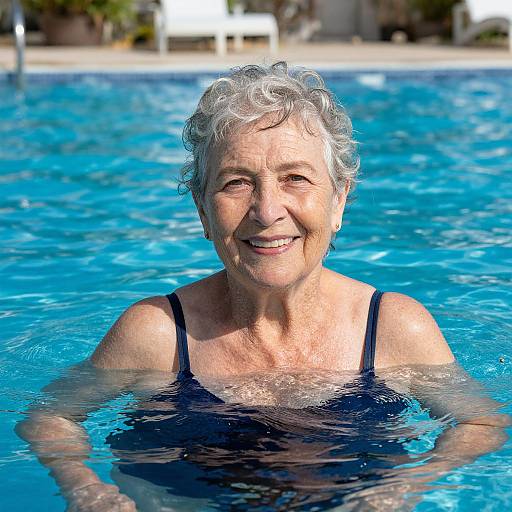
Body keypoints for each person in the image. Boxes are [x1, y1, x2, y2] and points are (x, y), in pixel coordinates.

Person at [17, 63, 510, 511]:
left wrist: (407, 486)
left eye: (295, 177)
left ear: (338, 201)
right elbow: (48, 419)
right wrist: (86, 487)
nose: (268, 211)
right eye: (236, 182)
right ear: (202, 210)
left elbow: (481, 423)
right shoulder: (157, 334)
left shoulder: (392, 328)